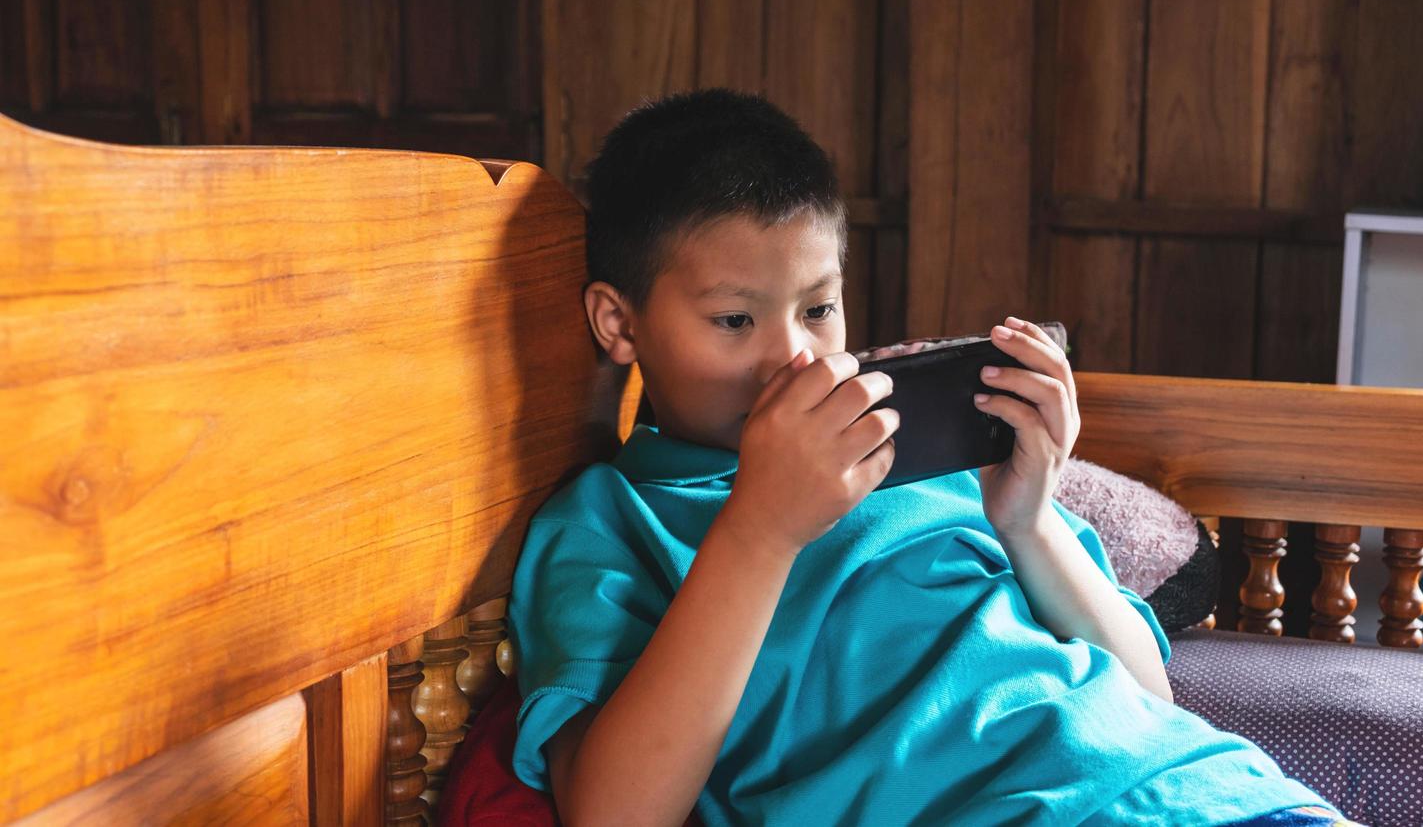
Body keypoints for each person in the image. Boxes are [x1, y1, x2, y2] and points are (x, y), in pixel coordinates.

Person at [506, 89, 1349, 826]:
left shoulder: (916, 453)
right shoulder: (609, 523)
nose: (796, 358)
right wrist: (760, 531)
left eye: (820, 308)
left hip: (1209, 789)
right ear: (618, 324)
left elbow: (1146, 694)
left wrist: (1026, 520)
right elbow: (614, 810)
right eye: (735, 320)